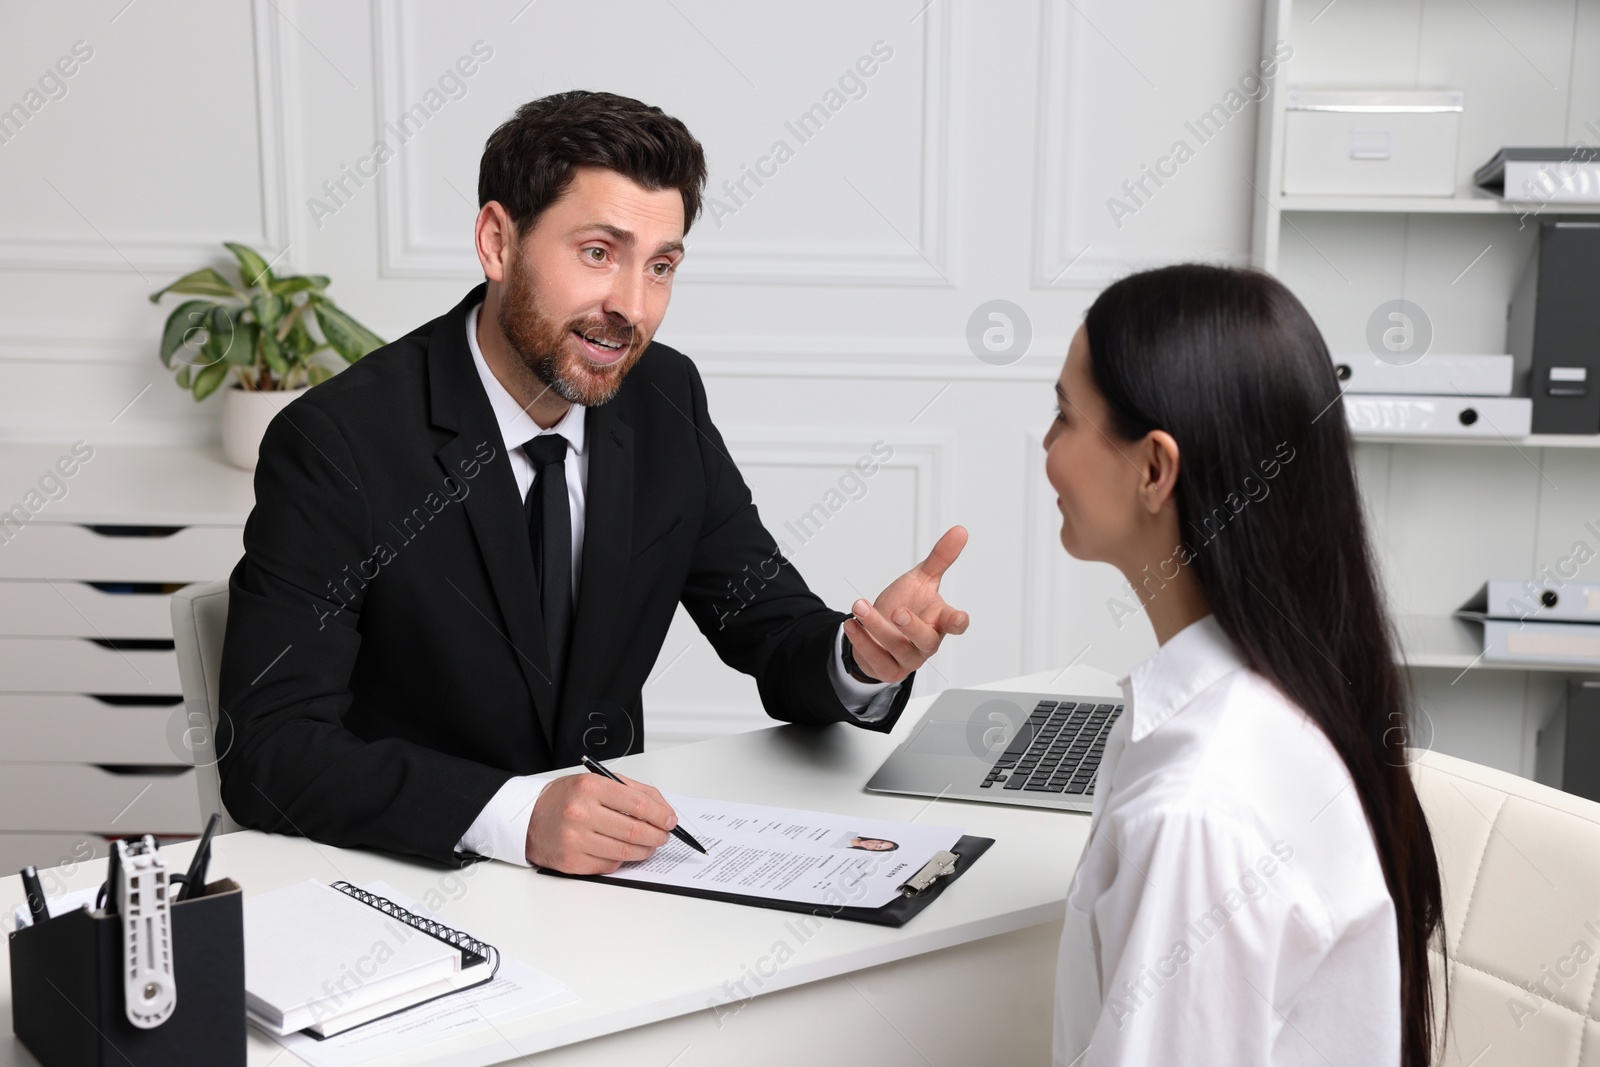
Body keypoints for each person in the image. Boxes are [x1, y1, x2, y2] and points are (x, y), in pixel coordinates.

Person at [217, 91, 969, 876]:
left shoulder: (665, 400)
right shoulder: (339, 442)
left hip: (608, 892)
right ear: (498, 242)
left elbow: (766, 621)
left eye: (661, 267)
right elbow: (268, 748)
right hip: (408, 879)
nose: (631, 308)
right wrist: (513, 815)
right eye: (598, 253)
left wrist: (860, 658)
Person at [1043, 265, 1443, 1066]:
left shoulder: (1196, 814)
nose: (1049, 447)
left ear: (1156, 469)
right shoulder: (1282, 701)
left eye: (1063, 415)